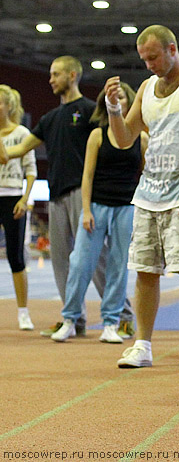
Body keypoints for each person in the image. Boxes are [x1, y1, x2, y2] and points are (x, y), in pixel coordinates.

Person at [104, 25, 179, 371]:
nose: (148, 65)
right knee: (144, 271)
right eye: (143, 59)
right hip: (148, 193)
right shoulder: (145, 89)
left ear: (172, 49)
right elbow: (125, 138)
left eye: (153, 57)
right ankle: (142, 344)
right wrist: (114, 108)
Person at [0, 56, 134, 339]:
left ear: (72, 76)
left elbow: (116, 141)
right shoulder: (49, 119)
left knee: (95, 258)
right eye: (50, 74)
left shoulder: (89, 111)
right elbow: (17, 151)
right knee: (61, 260)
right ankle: (73, 318)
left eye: (56, 74)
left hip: (85, 194)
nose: (50, 79)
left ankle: (122, 315)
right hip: (57, 195)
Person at [51, 83, 146, 343]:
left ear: (130, 102)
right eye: (110, 98)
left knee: (117, 267)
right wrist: (86, 210)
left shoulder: (142, 138)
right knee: (81, 262)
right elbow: (88, 176)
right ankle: (70, 318)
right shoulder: (97, 135)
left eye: (121, 96)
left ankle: (111, 323)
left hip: (126, 208)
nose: (116, 100)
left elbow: (147, 176)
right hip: (97, 207)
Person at [0, 85, 37, 330]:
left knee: (15, 256)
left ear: (9, 106)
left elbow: (31, 171)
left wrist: (24, 200)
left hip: (12, 196)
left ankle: (23, 311)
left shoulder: (22, 133)